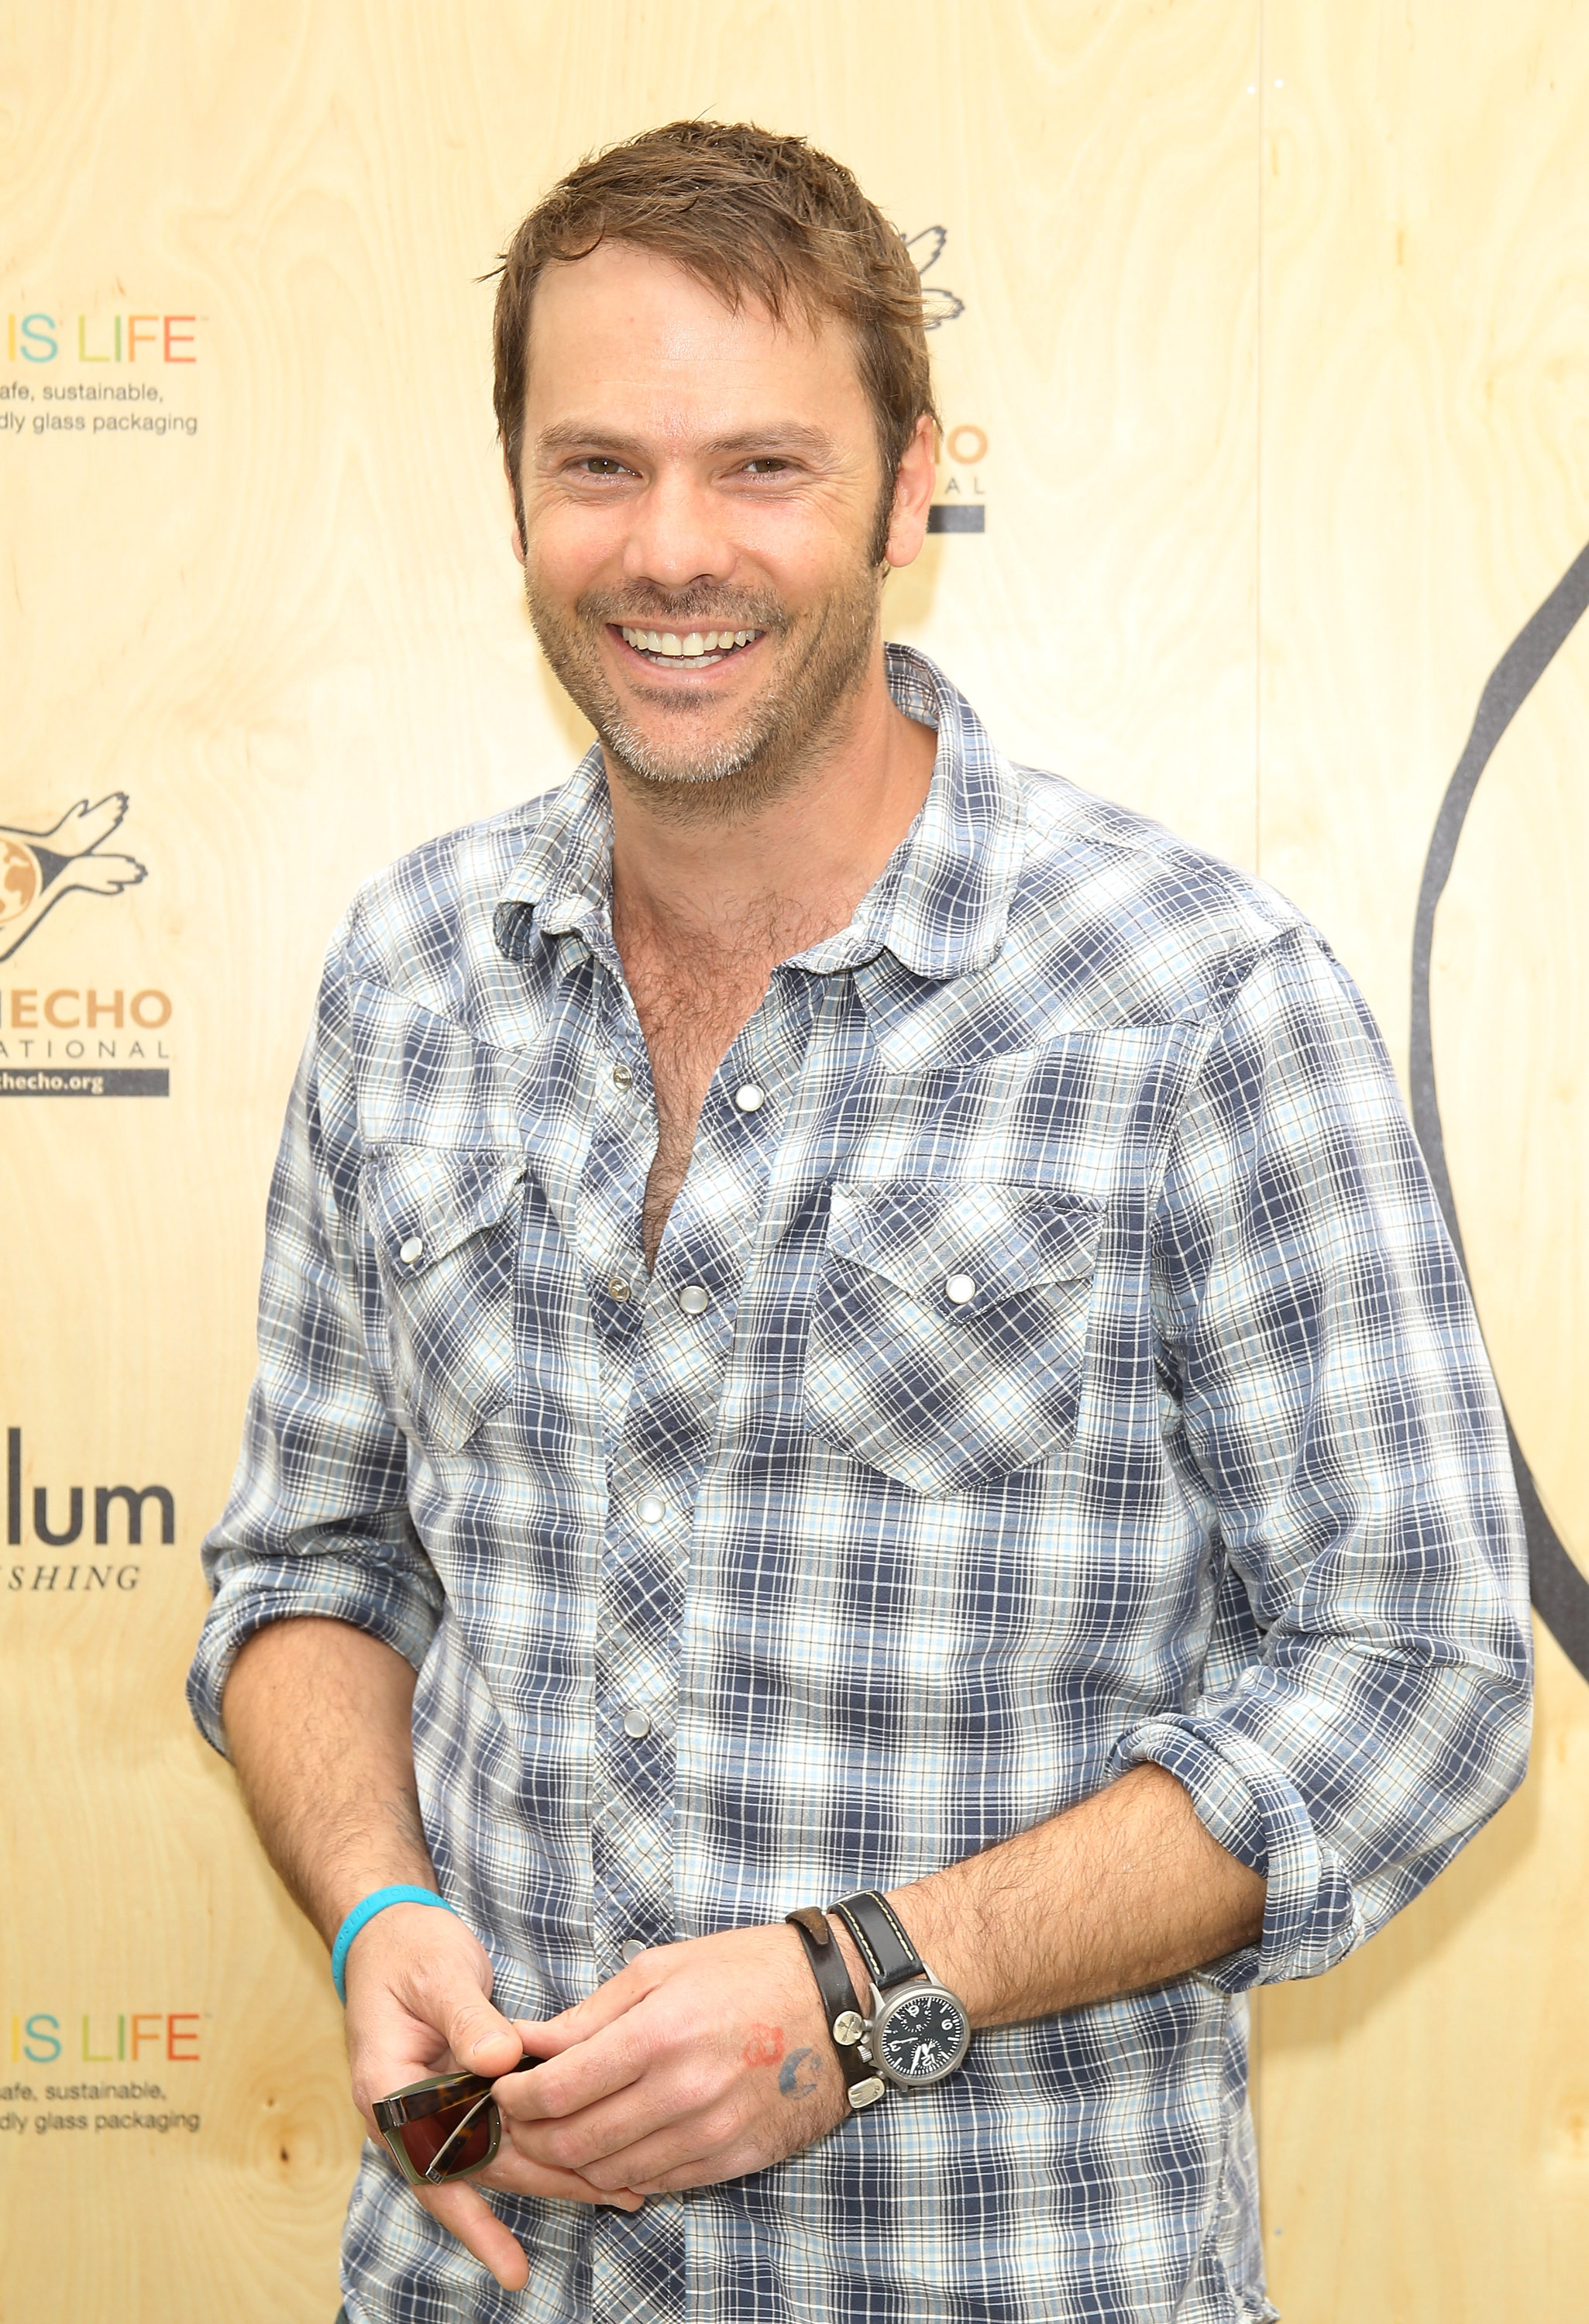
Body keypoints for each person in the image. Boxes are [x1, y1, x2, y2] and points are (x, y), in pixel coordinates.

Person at [188, 119, 1532, 2324]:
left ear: (911, 491)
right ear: (515, 491)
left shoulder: (1189, 998)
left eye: (763, 469)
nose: (670, 548)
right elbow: (310, 1571)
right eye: (597, 464)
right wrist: (370, 1911)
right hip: (481, 2278)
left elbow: (1419, 1675)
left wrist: (864, 1986)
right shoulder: (403, 972)